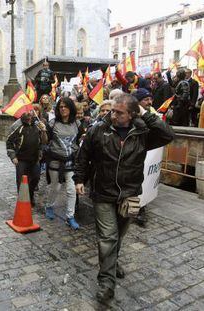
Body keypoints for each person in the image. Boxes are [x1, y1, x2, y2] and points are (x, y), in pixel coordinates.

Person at [73, 93, 174, 303]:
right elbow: (84, 155)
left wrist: (145, 113)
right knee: (108, 237)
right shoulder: (98, 129)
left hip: (129, 194)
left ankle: (112, 262)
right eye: (112, 111)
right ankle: (106, 283)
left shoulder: (142, 132)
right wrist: (79, 179)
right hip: (103, 193)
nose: (113, 115)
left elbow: (167, 135)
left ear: (131, 114)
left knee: (118, 235)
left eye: (119, 112)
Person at [45, 97, 81, 229]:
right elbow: (45, 141)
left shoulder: (77, 124)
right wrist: (43, 131)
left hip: (71, 162)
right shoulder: (52, 124)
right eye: (60, 107)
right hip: (55, 162)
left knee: (72, 190)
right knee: (55, 187)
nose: (63, 109)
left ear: (71, 108)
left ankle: (70, 216)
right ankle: (49, 206)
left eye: (66, 106)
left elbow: (78, 141)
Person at [6, 110, 48, 207]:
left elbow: (44, 141)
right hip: (21, 159)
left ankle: (31, 195)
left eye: (30, 112)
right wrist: (13, 157)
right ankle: (22, 201)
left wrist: (44, 131)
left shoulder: (38, 125)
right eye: (26, 112)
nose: (29, 114)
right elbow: (9, 142)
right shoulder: (17, 126)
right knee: (21, 181)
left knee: (36, 178)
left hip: (34, 159)